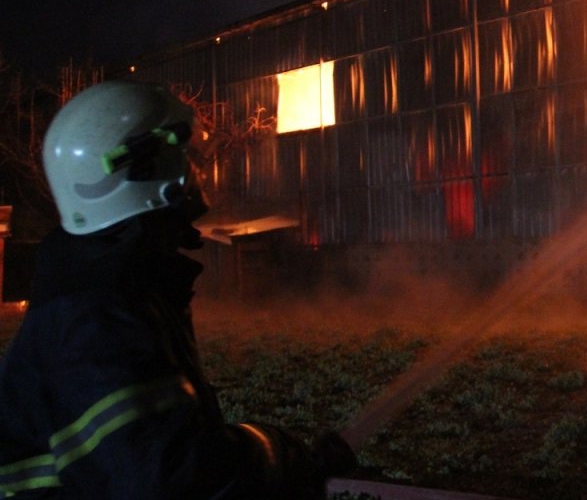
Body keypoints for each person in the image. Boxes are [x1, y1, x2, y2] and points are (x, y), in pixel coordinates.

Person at [0, 80, 355, 498]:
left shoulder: (111, 292)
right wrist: (279, 455)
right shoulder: (98, 318)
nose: (197, 173)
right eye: (186, 157)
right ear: (146, 172)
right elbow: (164, 480)